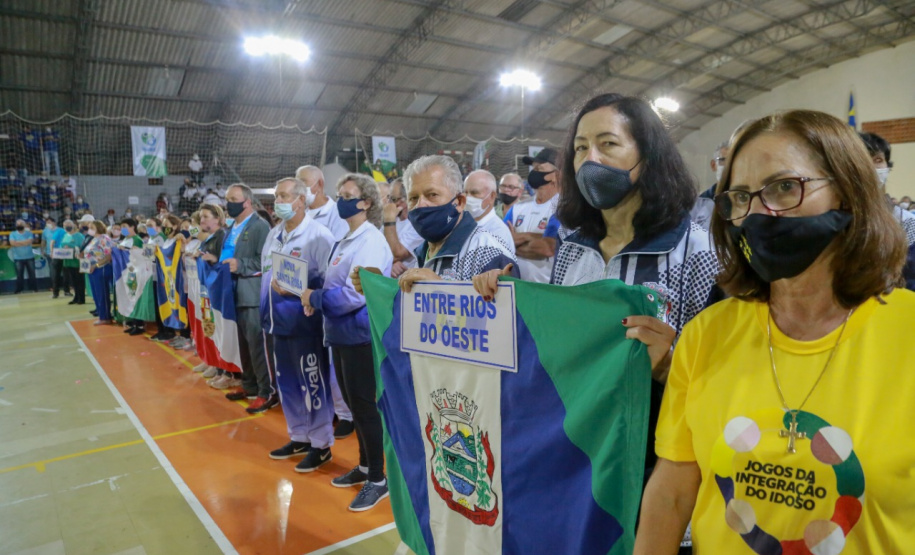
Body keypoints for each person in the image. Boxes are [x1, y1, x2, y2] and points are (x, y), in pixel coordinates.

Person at [635, 109, 915, 554]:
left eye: (785, 187)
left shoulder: (906, 335)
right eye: (741, 196)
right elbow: (671, 494)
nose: (761, 212)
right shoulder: (707, 334)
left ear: (846, 192)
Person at [300, 173, 393, 512]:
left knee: (365, 408)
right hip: (340, 333)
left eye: (347, 194)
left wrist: (317, 296)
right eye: (339, 194)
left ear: (365, 202)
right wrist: (315, 297)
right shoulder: (347, 238)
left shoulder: (370, 240)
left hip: (359, 334)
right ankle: (366, 465)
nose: (340, 199)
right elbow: (332, 282)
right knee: (354, 406)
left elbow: (357, 292)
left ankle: (379, 479)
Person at [260, 178, 337, 472]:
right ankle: (299, 436)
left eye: (283, 195)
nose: (278, 200)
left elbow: (328, 280)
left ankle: (321, 445)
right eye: (276, 195)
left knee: (312, 384)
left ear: (300, 200)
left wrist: (299, 288)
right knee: (288, 385)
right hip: (277, 323)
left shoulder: (318, 235)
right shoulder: (274, 234)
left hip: (304, 323)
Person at [221, 183, 274, 413]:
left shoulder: (260, 227)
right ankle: (249, 384)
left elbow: (265, 262)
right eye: (227, 199)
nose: (228, 203)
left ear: (247, 202)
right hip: (234, 292)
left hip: (251, 294)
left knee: (257, 345)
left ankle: (266, 391)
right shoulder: (233, 226)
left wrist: (239, 264)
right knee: (243, 345)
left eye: (233, 199)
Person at [505, 148, 562, 283]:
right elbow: (500, 242)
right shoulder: (517, 208)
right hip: (516, 287)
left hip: (546, 290)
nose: (533, 173)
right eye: (533, 168)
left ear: (556, 175)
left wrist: (516, 239)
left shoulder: (562, 208)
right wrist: (537, 237)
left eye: (539, 168)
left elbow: (547, 249)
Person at [381, 177, 424, 277]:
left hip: (406, 287)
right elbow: (373, 250)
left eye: (393, 199)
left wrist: (389, 220)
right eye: (389, 198)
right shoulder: (394, 218)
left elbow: (396, 254)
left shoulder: (418, 224)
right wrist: (389, 264)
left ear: (405, 200)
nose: (388, 203)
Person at [463, 170, 515, 253]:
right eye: (466, 192)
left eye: (474, 193)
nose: (468, 197)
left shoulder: (498, 234)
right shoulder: (462, 225)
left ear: (492, 196)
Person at [298, 165, 349, 241]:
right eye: (296, 184)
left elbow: (338, 247)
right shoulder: (299, 213)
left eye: (303, 182)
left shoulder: (337, 214)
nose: (298, 188)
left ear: (319, 184)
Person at [690, 140, 729, 231]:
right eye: (723, 160)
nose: (728, 166)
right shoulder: (699, 205)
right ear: (713, 165)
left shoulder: (747, 201)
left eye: (733, 161)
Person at [83, 220, 115, 325]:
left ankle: (105, 317)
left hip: (101, 268)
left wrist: (96, 265)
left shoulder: (104, 239)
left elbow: (108, 256)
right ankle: (101, 315)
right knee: (96, 294)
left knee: (102, 293)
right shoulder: (94, 239)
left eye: (92, 227)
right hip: (92, 269)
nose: (89, 230)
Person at [9, 218, 38, 293]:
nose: (19, 225)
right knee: (19, 275)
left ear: (24, 225)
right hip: (18, 258)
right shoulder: (12, 233)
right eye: (18, 224)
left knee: (32, 274)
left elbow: (29, 241)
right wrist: (24, 242)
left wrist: (18, 243)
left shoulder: (29, 233)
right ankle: (19, 289)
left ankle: (34, 288)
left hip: (29, 257)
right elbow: (12, 243)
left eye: (21, 224)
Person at [60, 220, 86, 305]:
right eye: (65, 225)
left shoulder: (79, 236)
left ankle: (81, 298)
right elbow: (61, 245)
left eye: (68, 225)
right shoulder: (65, 235)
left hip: (77, 260)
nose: (67, 227)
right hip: (68, 260)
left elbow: (82, 246)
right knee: (73, 281)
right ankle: (76, 297)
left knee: (79, 280)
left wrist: (72, 247)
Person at [42, 216, 68, 298]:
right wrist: (42, 250)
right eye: (47, 223)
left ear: (54, 222)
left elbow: (55, 242)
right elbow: (44, 241)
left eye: (49, 222)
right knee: (54, 274)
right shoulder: (45, 231)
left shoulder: (61, 230)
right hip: (51, 254)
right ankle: (55, 292)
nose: (48, 224)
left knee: (65, 273)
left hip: (61, 253)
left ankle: (66, 291)